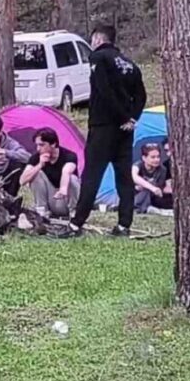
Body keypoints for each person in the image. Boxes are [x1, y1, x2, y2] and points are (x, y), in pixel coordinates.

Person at [63, 24, 147, 238]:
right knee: (124, 177)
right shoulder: (129, 64)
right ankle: (124, 225)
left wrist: (120, 116)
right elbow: (141, 96)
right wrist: (131, 119)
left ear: (98, 40)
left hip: (103, 127)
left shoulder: (98, 58)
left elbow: (103, 89)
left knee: (92, 174)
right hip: (125, 130)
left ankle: (76, 224)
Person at [19, 127, 81, 219]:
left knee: (72, 179)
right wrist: (40, 165)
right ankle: (42, 212)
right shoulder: (36, 157)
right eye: (37, 145)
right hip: (50, 199)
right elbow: (22, 181)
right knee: (36, 174)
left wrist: (63, 189)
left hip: (65, 198)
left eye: (42, 145)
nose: (38, 148)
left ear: (53, 144)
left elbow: (66, 171)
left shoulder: (69, 156)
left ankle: (74, 213)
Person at [132, 143, 173, 215]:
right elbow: (134, 176)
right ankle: (142, 208)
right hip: (136, 194)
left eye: (158, 157)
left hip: (153, 197)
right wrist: (151, 187)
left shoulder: (162, 169)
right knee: (145, 190)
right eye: (153, 157)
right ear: (144, 158)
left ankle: (146, 208)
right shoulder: (138, 165)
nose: (156, 160)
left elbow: (159, 188)